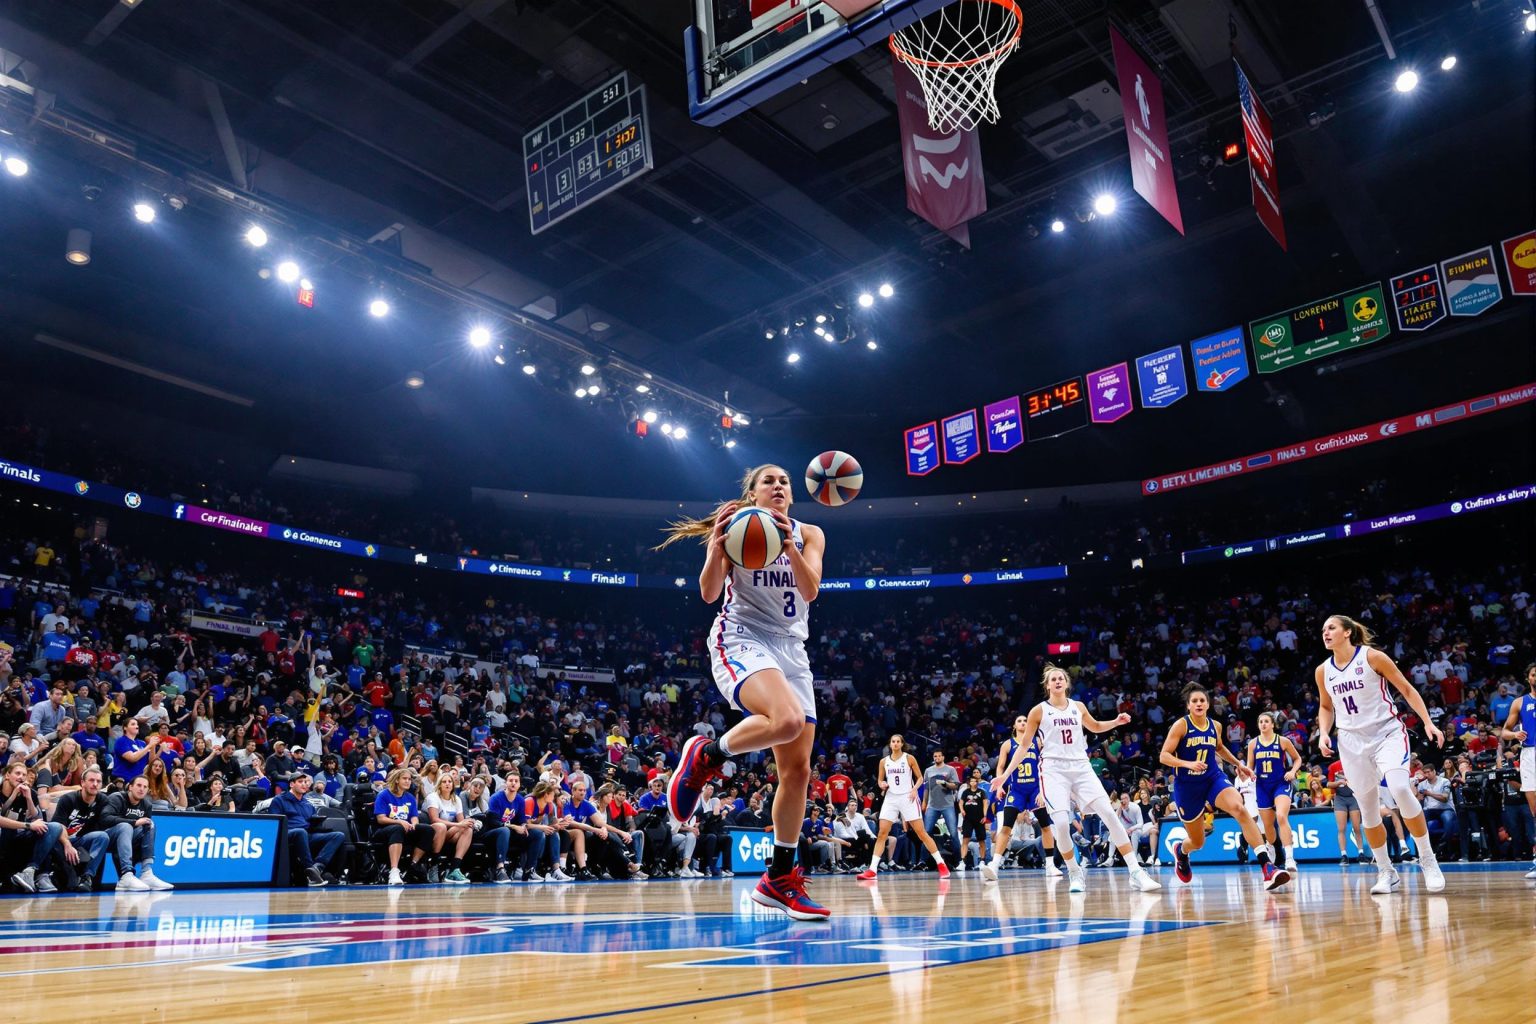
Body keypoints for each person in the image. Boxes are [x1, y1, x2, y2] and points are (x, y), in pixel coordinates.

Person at [658, 464, 829, 920]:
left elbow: (809, 590)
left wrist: (789, 546)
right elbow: (710, 593)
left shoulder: (810, 533)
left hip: (793, 649)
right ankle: (707, 755)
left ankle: (778, 879)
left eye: (784, 481)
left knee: (798, 771)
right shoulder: (736, 528)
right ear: (752, 494)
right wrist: (716, 549)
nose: (779, 486)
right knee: (787, 720)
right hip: (742, 635)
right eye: (768, 481)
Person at [993, 664, 1160, 894]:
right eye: (1053, 679)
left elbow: (1095, 726)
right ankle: (1074, 872)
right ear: (1047, 685)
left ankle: (1136, 872)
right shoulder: (1038, 711)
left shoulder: (1078, 706)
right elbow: (1023, 747)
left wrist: (1115, 722)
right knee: (1061, 825)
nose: (1058, 681)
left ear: (1067, 683)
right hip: (1053, 770)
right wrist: (1004, 776)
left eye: (1061, 678)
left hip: (1081, 767)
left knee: (1110, 815)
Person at [1315, 614, 1445, 894]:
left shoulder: (1372, 657)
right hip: (1350, 740)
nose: (1325, 633)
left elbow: (1407, 689)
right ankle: (1386, 871)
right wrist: (1324, 732)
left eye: (1332, 628)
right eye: (1323, 629)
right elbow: (1326, 707)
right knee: (1369, 810)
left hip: (1386, 732)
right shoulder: (1322, 670)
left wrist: (1428, 722)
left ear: (1347, 632)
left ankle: (1427, 858)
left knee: (1400, 787)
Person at [1162, 682, 1289, 891]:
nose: (1199, 703)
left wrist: (1239, 764)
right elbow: (1164, 756)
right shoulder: (1181, 726)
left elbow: (1219, 747)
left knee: (1239, 808)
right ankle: (1181, 851)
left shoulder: (1216, 726)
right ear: (1188, 706)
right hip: (1187, 787)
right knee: (1197, 842)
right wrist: (1187, 763)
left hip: (1212, 778)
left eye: (1202, 700)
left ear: (1208, 703)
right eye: (1194, 701)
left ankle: (1267, 867)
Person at [857, 734, 951, 880]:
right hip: (891, 798)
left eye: (898, 741)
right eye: (893, 741)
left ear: (902, 744)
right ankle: (872, 869)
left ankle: (941, 865)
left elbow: (920, 778)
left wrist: (915, 790)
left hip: (908, 797)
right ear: (890, 744)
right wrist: (882, 784)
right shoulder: (884, 761)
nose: (895, 744)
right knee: (882, 833)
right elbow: (881, 780)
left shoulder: (909, 758)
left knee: (921, 833)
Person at [983, 715, 1060, 882]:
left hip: (1035, 789)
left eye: (1025, 720)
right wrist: (1000, 786)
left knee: (1046, 826)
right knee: (1006, 827)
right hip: (1016, 790)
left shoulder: (1038, 741)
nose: (1023, 723)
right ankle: (995, 865)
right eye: (1019, 721)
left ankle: (1049, 865)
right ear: (1014, 725)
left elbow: (1047, 765)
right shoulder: (1008, 744)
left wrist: (1043, 790)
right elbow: (1001, 767)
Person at [1247, 712, 1304, 873]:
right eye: (1260, 721)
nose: (1263, 724)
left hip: (1280, 783)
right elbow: (1250, 766)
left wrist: (1292, 771)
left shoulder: (1283, 741)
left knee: (1281, 816)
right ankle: (1271, 846)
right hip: (1262, 786)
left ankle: (1290, 859)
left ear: (1273, 724)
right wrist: (1248, 772)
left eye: (1266, 721)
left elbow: (1298, 758)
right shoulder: (1253, 744)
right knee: (1268, 826)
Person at [1495, 662, 1536, 878]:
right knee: (1534, 811)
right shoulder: (1519, 703)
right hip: (1530, 754)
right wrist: (1515, 736)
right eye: (1533, 674)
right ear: (1528, 678)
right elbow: (1504, 732)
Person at [270, 772, 347, 886]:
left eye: (306, 782)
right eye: (300, 782)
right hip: (287, 835)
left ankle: (317, 868)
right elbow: (274, 823)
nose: (304, 785)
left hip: (306, 834)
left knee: (338, 835)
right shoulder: (279, 800)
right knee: (300, 832)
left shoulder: (307, 804)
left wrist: (318, 823)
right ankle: (309, 871)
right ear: (291, 784)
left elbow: (311, 824)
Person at [98, 775, 173, 891]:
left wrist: (135, 825)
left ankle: (146, 873)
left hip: (128, 841)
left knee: (150, 824)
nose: (141, 789)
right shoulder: (116, 798)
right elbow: (104, 819)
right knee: (125, 826)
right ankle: (126, 875)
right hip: (107, 837)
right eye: (138, 785)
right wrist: (134, 822)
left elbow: (144, 834)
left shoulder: (147, 805)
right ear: (130, 787)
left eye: (145, 787)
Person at [1, 760, 65, 893]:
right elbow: (2, 817)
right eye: (17, 773)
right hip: (4, 837)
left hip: (19, 838)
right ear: (7, 775)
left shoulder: (29, 792)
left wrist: (29, 798)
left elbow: (38, 820)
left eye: (24, 775)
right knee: (9, 829)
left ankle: (32, 871)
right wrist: (13, 796)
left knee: (53, 827)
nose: (21, 777)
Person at [48, 766, 109, 891]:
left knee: (102, 836)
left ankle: (87, 876)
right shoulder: (68, 799)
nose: (95, 784)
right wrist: (67, 845)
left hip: (80, 841)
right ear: (82, 783)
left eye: (98, 781)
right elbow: (58, 827)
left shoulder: (102, 801)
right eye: (91, 780)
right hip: (60, 841)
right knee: (70, 883)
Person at [372, 767, 432, 886]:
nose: (408, 781)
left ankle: (413, 864)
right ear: (397, 780)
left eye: (409, 779)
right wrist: (399, 821)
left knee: (428, 830)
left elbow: (414, 816)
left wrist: (414, 824)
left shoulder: (410, 797)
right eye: (404, 778)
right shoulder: (384, 795)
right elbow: (381, 818)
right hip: (383, 831)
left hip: (405, 828)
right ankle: (394, 871)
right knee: (398, 828)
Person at [422, 773, 474, 884]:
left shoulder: (457, 799)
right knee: (441, 827)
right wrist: (459, 825)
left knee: (468, 828)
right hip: (434, 833)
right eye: (444, 782)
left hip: (449, 834)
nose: (447, 784)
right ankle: (433, 865)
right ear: (439, 784)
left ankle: (454, 869)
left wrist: (466, 823)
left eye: (449, 782)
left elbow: (461, 822)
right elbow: (434, 820)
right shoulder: (433, 797)